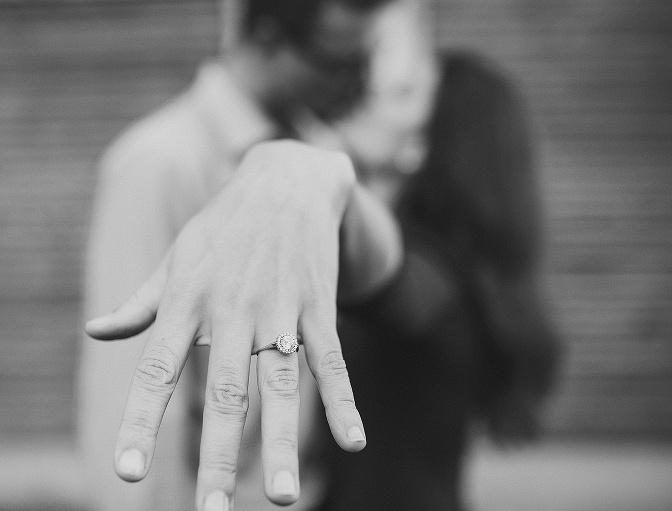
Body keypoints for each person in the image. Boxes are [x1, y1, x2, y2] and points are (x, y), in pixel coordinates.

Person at [80, 0, 561, 510]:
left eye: (371, 68)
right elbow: (131, 411)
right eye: (340, 64)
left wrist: (308, 172)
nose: (357, 86)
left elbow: (388, 264)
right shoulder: (158, 164)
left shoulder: (331, 160)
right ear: (267, 38)